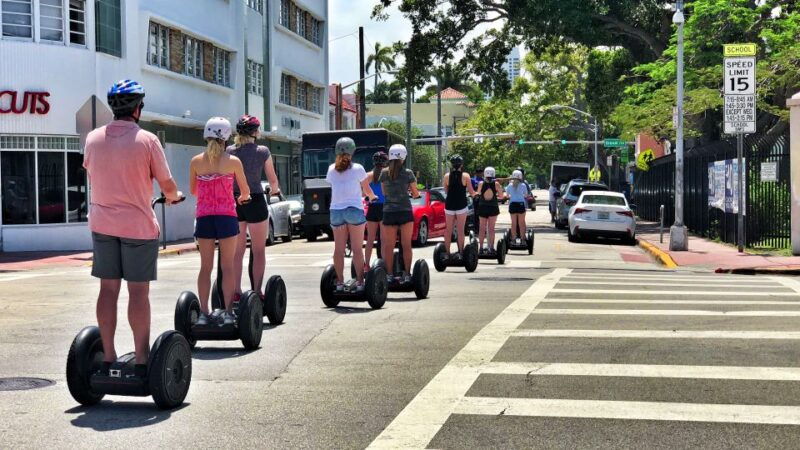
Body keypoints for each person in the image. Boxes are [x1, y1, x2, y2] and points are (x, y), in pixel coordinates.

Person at [83, 79, 182, 376]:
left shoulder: (92, 138)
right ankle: (141, 360)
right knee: (138, 293)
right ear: (138, 108)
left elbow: (92, 172)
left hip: (102, 225)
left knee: (108, 289)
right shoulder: (147, 140)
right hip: (137, 227)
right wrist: (174, 196)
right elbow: (167, 185)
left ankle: (109, 357)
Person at [191, 117, 250, 326]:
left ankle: (203, 313)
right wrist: (242, 198)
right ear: (226, 138)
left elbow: (194, 191)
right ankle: (227, 312)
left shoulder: (196, 161)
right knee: (227, 266)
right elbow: (245, 191)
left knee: (205, 267)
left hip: (204, 218)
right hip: (226, 217)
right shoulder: (233, 162)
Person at [227, 115, 281, 300]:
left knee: (237, 251)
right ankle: (257, 291)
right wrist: (274, 190)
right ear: (255, 132)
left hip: (234, 201)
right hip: (256, 199)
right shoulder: (262, 151)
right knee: (258, 250)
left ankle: (235, 292)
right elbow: (272, 180)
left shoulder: (230, 151)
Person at [326, 137, 378, 292]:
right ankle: (361, 282)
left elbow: (334, 184)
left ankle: (340, 283)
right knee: (356, 248)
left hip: (336, 212)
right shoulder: (358, 168)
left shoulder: (330, 169)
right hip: (354, 210)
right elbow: (367, 190)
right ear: (352, 151)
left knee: (339, 250)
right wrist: (372, 197)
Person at [380, 144, 420, 283]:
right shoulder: (408, 173)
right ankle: (407, 274)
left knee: (389, 246)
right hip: (404, 211)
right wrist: (414, 194)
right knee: (406, 244)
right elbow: (415, 193)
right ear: (403, 157)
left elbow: (384, 192)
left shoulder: (384, 173)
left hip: (389, 212)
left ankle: (389, 275)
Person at [442, 154, 476, 256]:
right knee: (461, 229)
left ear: (451, 165)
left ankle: (447, 253)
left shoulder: (447, 176)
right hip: (461, 204)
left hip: (450, 205)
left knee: (448, 229)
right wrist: (476, 194)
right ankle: (461, 252)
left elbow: (446, 191)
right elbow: (471, 192)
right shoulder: (466, 176)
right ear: (461, 164)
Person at [364, 151, 388, 270]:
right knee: (384, 240)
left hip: (372, 207)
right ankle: (383, 266)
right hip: (384, 207)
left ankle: (366, 265)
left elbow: (363, 192)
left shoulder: (368, 175)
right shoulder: (388, 174)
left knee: (370, 240)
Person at [476, 167, 504, 253]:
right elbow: (501, 196)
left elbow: (478, 193)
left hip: (483, 207)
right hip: (493, 207)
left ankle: (480, 248)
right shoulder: (496, 184)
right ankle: (491, 248)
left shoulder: (481, 183)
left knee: (482, 228)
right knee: (491, 228)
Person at [506, 170, 529, 241]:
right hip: (521, 204)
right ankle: (522, 239)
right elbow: (526, 195)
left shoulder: (509, 185)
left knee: (513, 223)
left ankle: (513, 238)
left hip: (512, 204)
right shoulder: (523, 185)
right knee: (521, 223)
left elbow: (507, 195)